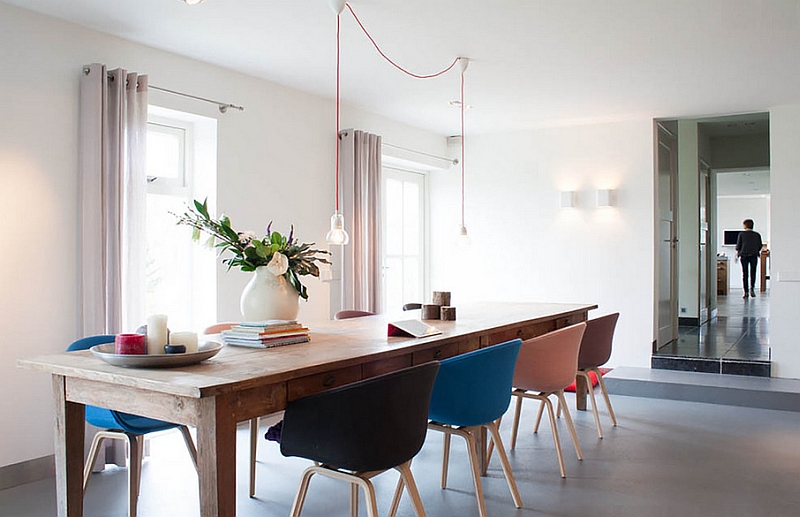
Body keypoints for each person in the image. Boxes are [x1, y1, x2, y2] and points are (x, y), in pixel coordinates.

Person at [735, 219, 763, 299]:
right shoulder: (757, 235)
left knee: (745, 274)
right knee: (753, 273)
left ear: (745, 225)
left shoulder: (741, 234)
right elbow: (760, 245)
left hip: (744, 255)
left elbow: (738, 246)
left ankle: (746, 292)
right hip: (754, 255)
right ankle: (752, 289)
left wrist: (737, 254)